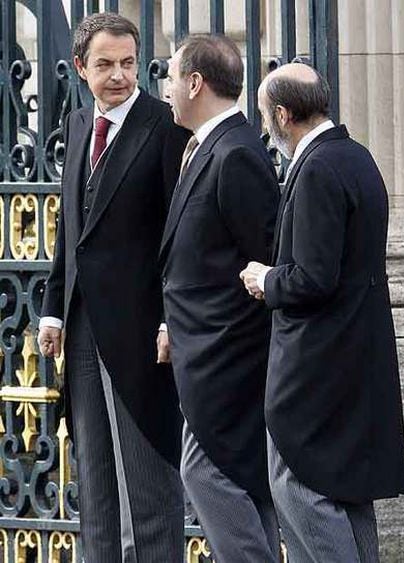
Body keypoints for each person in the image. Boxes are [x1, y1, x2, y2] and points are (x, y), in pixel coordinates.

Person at [240, 63, 404, 562]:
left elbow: (313, 277)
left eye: (267, 117)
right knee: (346, 493)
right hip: (353, 354)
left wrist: (264, 279)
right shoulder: (355, 155)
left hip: (317, 363)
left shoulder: (316, 167)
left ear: (283, 114)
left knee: (299, 485)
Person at [37, 12, 189, 563]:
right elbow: (70, 233)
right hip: (80, 330)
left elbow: (177, 237)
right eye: (105, 65)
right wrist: (53, 311)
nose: (120, 75)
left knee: (149, 490)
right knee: (96, 490)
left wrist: (172, 320)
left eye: (128, 62)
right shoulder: (78, 124)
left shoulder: (165, 125)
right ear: (81, 68)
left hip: (142, 335)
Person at [157, 34, 281, 562]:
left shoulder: (236, 153)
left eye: (170, 76)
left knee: (203, 470)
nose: (163, 87)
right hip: (200, 348)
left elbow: (261, 261)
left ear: (194, 82)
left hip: (227, 355)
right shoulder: (208, 145)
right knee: (243, 479)